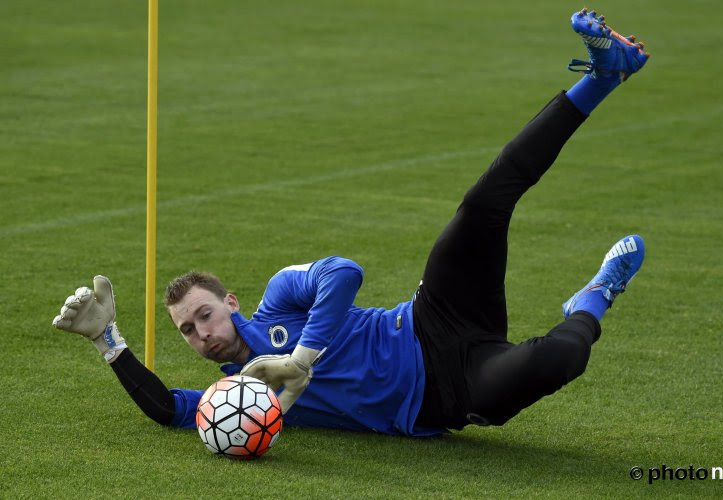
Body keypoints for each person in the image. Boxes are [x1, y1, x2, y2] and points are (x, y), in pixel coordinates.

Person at [52, 9, 649, 437]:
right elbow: (166, 409)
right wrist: (110, 344)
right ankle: (595, 296)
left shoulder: (281, 300)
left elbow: (344, 272)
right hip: (448, 393)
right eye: (186, 331)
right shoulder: (241, 397)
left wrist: (303, 358)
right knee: (558, 360)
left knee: (482, 205)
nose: (200, 333)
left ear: (231, 302)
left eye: (204, 315)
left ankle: (602, 75)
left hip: (429, 316)